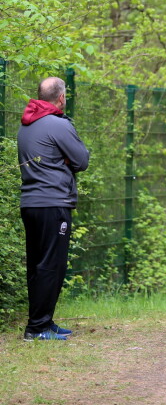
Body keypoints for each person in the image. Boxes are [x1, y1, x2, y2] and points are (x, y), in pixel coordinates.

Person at [17, 77, 90, 341]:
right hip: (54, 203)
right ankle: (37, 328)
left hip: (30, 203)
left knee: (37, 264)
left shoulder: (26, 124)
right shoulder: (58, 125)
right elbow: (81, 160)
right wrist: (67, 159)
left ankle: (43, 321)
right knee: (52, 265)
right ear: (61, 98)